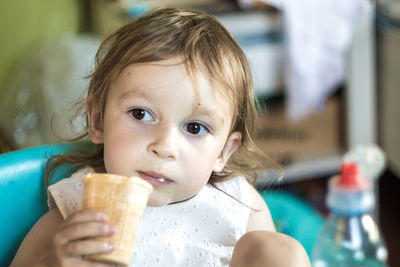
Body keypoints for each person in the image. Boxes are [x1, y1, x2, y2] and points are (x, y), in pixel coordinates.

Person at [10, 7, 310, 267]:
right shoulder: (76, 208)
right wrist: (54, 262)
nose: (164, 147)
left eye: (195, 128)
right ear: (98, 121)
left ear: (224, 152)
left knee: (283, 252)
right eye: (140, 114)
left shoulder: (240, 205)